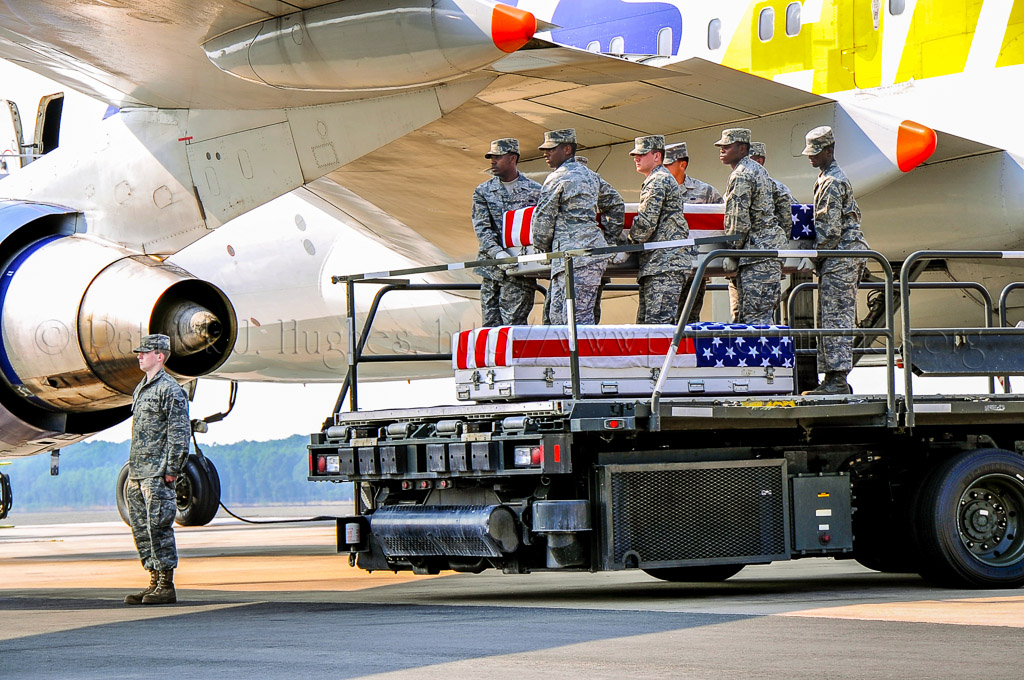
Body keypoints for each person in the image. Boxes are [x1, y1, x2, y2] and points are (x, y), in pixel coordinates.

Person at [801, 126, 870, 395]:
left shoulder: (832, 182)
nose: (811, 157)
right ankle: (833, 378)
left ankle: (837, 380)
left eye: (815, 152)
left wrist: (810, 256)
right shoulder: (828, 177)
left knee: (835, 318)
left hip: (841, 256)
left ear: (829, 150)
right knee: (834, 316)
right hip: (843, 256)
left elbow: (829, 232)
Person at [123, 333, 190, 605]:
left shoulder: (171, 390)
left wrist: (172, 468)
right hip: (138, 471)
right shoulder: (142, 387)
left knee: (159, 526)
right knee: (142, 528)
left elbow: (179, 434)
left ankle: (166, 584)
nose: (140, 355)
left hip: (158, 472)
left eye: (145, 352)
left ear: (159, 356)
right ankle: (153, 581)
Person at [532, 128, 608, 325]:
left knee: (570, 321)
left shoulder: (558, 177)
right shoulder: (591, 175)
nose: (545, 153)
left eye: (551, 149)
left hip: (574, 258)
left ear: (567, 149)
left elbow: (543, 220)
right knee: (567, 319)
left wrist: (541, 247)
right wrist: (610, 237)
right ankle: (569, 356)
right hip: (579, 256)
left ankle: (577, 357)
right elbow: (614, 203)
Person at [716, 128, 787, 325]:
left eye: (727, 146)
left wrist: (732, 253)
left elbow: (738, 221)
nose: (722, 150)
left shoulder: (742, 174)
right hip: (766, 252)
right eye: (721, 147)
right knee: (759, 319)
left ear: (742, 148)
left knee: (755, 322)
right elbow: (784, 213)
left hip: (757, 256)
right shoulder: (759, 171)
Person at [472, 137, 542, 327]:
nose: (493, 162)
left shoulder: (535, 191)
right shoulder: (483, 192)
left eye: (498, 157)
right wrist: (499, 254)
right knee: (489, 327)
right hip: (491, 270)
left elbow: (540, 228)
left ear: (512, 159)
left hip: (521, 272)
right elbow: (482, 228)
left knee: (513, 327)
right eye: (491, 158)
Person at [627, 135, 690, 323]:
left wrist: (628, 243)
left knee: (657, 327)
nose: (636, 158)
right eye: (635, 155)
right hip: (659, 264)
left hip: (664, 265)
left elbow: (646, 223)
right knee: (647, 328)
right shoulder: (659, 178)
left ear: (657, 156)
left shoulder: (658, 180)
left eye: (641, 154)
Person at [663, 141, 722, 323]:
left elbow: (722, 222)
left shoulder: (705, 191)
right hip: (666, 266)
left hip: (696, 267)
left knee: (689, 319)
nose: (663, 169)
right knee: (664, 320)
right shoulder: (656, 189)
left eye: (667, 165)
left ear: (682, 164)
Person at [574, 155, 626, 324]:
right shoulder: (595, 180)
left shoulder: (571, 180)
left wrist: (609, 241)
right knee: (587, 311)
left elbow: (616, 204)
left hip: (579, 257)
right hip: (591, 256)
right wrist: (609, 241)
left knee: (577, 314)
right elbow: (616, 205)